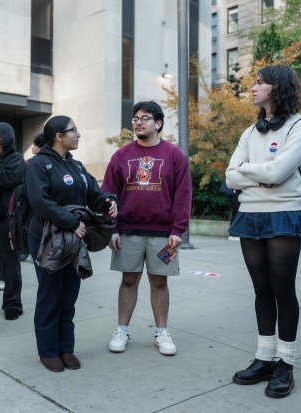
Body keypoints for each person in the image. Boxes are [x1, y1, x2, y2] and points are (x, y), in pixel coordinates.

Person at [225, 65, 301, 399]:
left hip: (284, 215)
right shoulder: (251, 131)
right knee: (261, 290)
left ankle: (286, 364)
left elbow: (279, 172)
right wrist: (260, 174)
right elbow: (229, 177)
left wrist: (250, 172)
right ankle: (265, 357)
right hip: (250, 216)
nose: (253, 87)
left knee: (283, 290)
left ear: (277, 88)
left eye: (260, 82)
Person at [26, 115, 118, 372]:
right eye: (74, 131)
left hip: (73, 240)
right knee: (50, 294)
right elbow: (39, 201)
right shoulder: (38, 165)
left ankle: (66, 348)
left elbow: (93, 193)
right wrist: (71, 222)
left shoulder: (75, 166)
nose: (78, 135)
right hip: (46, 239)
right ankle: (48, 351)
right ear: (59, 136)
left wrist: (109, 202)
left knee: (69, 295)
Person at [102, 101, 192, 356]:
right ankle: (122, 329)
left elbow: (183, 195)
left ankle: (161, 332)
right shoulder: (121, 155)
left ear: (158, 123)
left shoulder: (174, 156)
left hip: (163, 233)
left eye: (145, 118)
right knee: (128, 280)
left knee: (159, 282)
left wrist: (178, 230)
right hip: (128, 230)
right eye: (135, 118)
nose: (138, 122)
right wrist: (112, 228)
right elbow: (108, 194)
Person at [0, 122, 25, 320]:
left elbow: (1, 180)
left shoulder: (16, 159)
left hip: (6, 219)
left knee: (10, 264)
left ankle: (12, 304)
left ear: (6, 137)